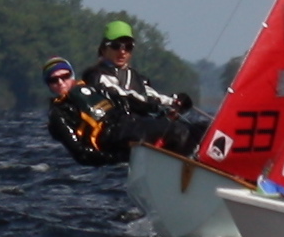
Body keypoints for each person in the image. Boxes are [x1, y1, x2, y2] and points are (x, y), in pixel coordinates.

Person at [81, 20, 208, 154]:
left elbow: (151, 96)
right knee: (177, 131)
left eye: (128, 46)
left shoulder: (137, 78)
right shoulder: (95, 75)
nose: (122, 51)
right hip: (115, 130)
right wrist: (157, 108)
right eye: (116, 46)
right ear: (104, 49)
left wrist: (175, 101)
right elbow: (123, 96)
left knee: (202, 129)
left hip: (139, 126)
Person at [43, 58, 164, 167]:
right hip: (110, 137)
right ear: (49, 85)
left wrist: (157, 109)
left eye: (65, 76)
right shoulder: (58, 114)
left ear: (72, 76)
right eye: (54, 80)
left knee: (170, 128)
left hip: (128, 124)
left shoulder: (93, 89)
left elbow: (124, 102)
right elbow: (81, 153)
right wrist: (116, 159)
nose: (60, 82)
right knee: (169, 131)